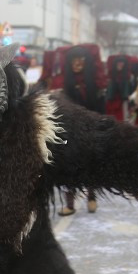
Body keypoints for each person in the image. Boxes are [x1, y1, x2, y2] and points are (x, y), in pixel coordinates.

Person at [59, 45, 106, 215]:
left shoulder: (94, 83)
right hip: (69, 129)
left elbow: (100, 109)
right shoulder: (64, 82)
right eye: (74, 60)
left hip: (89, 128)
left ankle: (92, 197)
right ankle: (70, 204)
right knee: (67, 168)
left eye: (81, 60)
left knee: (90, 164)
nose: (77, 63)